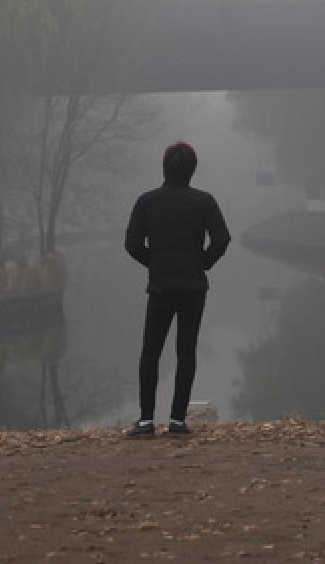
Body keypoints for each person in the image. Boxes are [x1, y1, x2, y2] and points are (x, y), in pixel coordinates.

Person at [123, 141, 231, 437]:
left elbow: (132, 244)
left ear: (164, 168)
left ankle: (145, 420)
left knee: (151, 352)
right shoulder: (204, 202)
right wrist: (202, 264)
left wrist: (154, 263)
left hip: (160, 288)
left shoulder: (146, 202)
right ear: (192, 170)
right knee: (186, 351)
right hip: (193, 288)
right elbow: (222, 239)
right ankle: (177, 420)